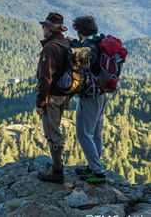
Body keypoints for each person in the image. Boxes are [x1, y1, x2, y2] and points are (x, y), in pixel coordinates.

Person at [35, 12, 71, 184]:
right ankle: (57, 165)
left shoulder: (50, 48)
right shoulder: (67, 42)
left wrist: (40, 103)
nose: (42, 29)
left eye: (44, 27)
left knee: (52, 133)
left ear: (48, 29)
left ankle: (57, 171)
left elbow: (45, 79)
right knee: (55, 129)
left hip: (53, 97)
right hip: (65, 95)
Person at [71, 16, 107, 184]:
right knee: (96, 134)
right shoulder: (98, 42)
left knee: (84, 134)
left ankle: (98, 172)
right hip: (101, 93)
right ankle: (93, 166)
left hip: (89, 96)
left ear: (79, 31)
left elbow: (79, 66)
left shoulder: (88, 47)